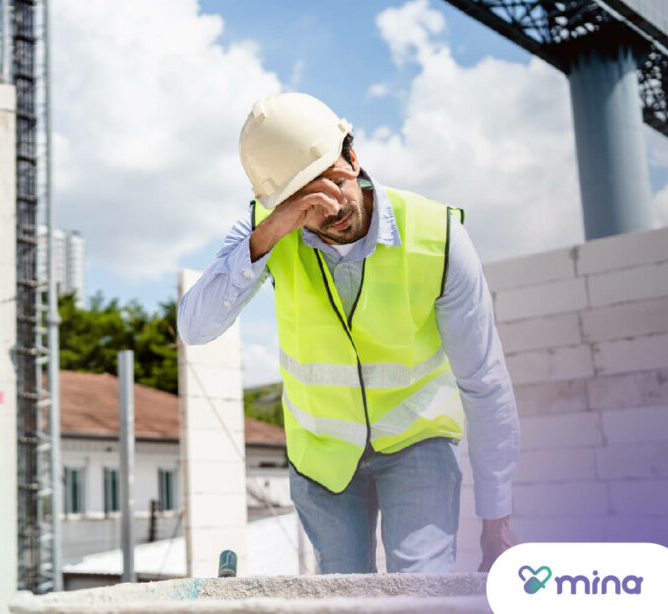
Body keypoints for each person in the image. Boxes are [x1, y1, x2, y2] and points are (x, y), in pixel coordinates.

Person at [178, 92, 520, 574]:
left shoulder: (436, 235)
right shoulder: (268, 232)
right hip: (321, 453)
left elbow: (484, 381)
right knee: (343, 599)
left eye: (337, 180)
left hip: (416, 440)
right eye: (306, 198)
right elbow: (195, 327)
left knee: (420, 595)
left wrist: (497, 517)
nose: (334, 205)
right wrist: (272, 230)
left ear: (353, 156)